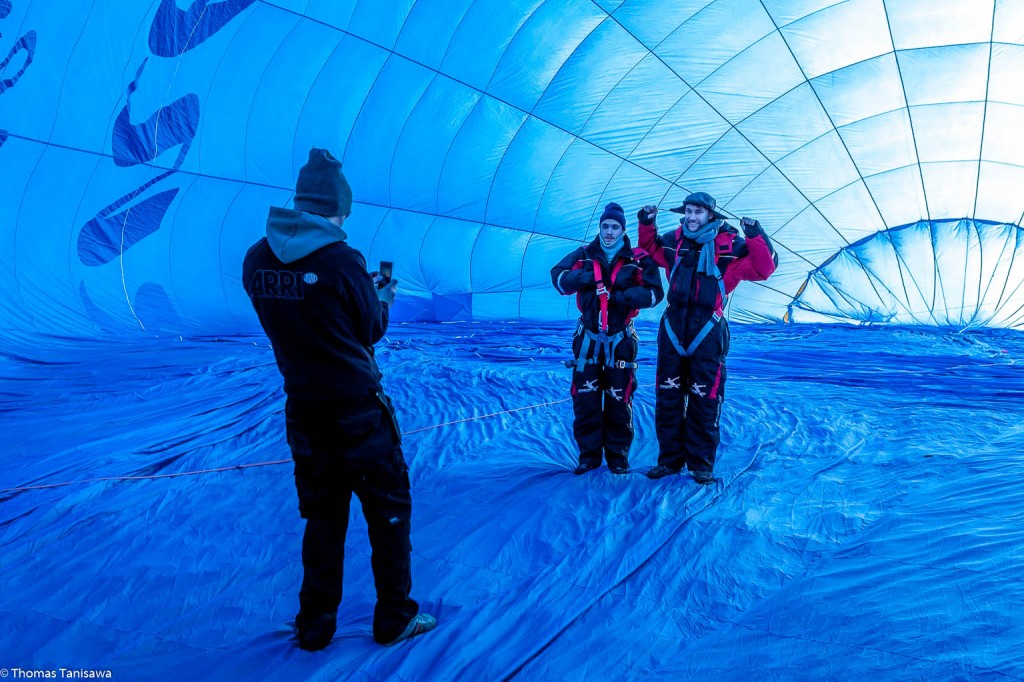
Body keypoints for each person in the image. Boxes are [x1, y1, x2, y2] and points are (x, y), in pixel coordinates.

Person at [242, 148, 436, 651]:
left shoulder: (256, 259)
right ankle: (395, 616)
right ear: (336, 209)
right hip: (358, 414)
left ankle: (314, 625)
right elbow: (369, 328)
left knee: (323, 518)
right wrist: (381, 298)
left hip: (304, 411)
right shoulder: (342, 259)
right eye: (344, 213)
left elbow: (305, 312)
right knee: (389, 512)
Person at [638, 192, 778, 484]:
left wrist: (755, 234)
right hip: (674, 328)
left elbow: (765, 268)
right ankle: (669, 462)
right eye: (688, 211)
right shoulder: (673, 242)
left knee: (705, 398)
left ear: (711, 216)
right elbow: (649, 250)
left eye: (698, 212)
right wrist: (646, 224)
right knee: (668, 397)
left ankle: (701, 464)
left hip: (708, 330)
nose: (691, 217)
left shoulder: (730, 248)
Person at [550, 202, 664, 475]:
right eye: (605, 227)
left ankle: (617, 457)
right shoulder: (585, 255)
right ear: (600, 228)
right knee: (586, 398)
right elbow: (558, 278)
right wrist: (588, 278)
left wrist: (621, 298)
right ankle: (588, 456)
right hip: (588, 337)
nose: (609, 232)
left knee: (619, 398)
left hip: (620, 339)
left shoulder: (639, 258)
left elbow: (654, 294)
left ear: (623, 229)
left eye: (614, 227)